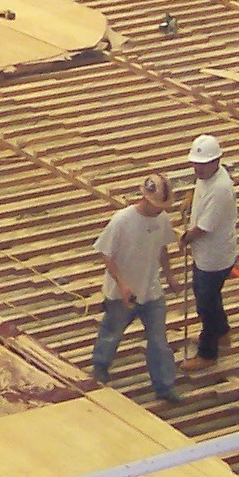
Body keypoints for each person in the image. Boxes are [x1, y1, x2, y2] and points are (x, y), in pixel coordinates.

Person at [90, 172, 179, 403]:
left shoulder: (161, 219)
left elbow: (162, 249)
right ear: (146, 199)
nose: (160, 210)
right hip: (122, 294)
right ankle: (100, 367)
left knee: (159, 340)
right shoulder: (122, 220)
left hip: (151, 291)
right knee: (112, 333)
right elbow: (106, 254)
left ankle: (164, 385)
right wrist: (122, 284)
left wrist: (169, 277)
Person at [179, 133, 238, 374]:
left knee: (206, 305)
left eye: (202, 165)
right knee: (212, 298)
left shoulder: (221, 189)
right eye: (195, 164)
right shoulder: (210, 176)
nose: (197, 169)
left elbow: (203, 228)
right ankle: (222, 334)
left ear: (216, 161)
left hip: (213, 258)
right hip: (208, 254)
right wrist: (190, 197)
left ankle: (208, 352)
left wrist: (184, 239)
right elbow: (200, 186)